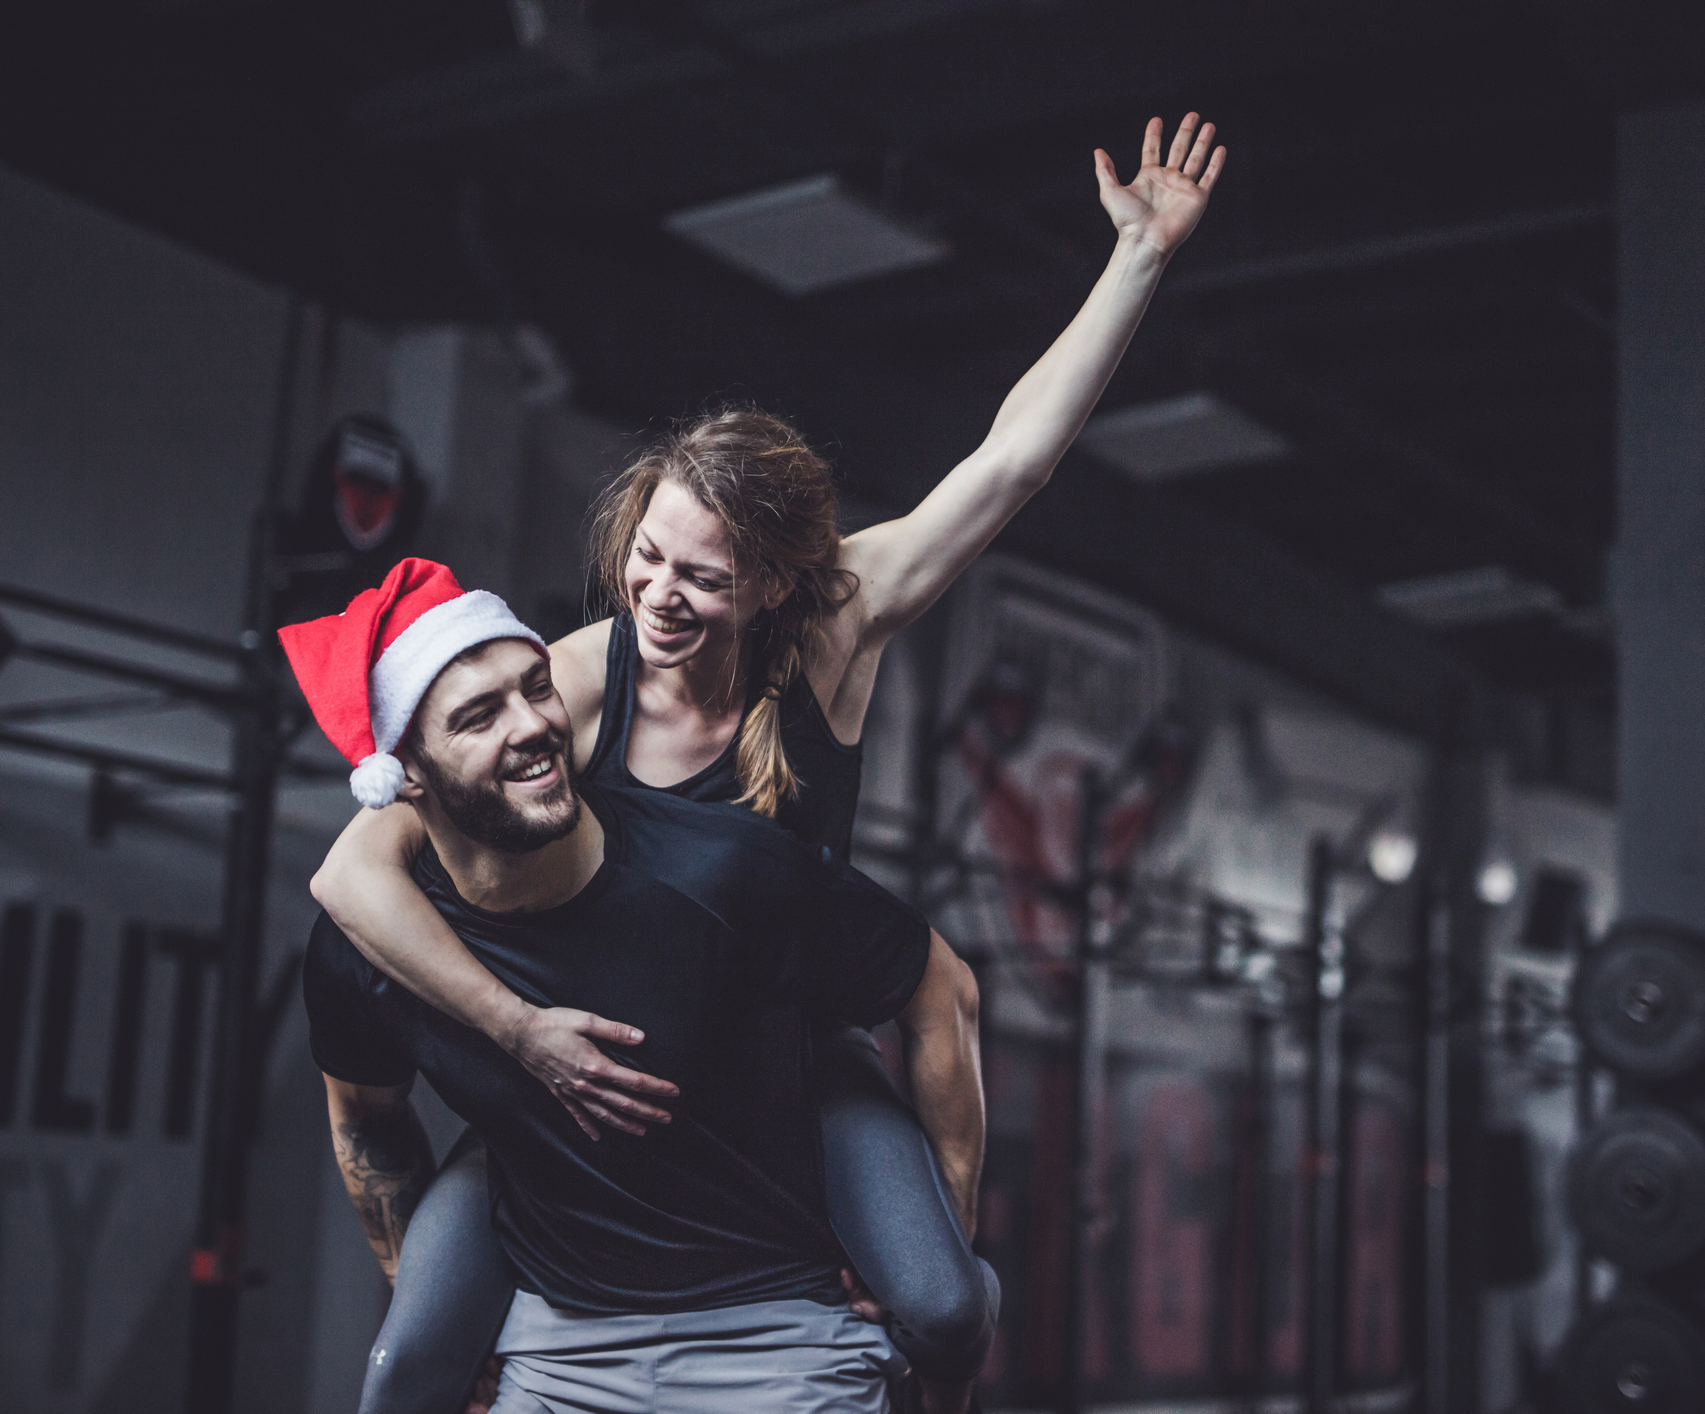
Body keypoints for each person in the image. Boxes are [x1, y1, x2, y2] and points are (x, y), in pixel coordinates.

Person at [313, 111, 1226, 1412]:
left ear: (778, 583)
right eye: (647, 557)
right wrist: (522, 1036)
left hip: (785, 1054)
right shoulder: (575, 673)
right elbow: (358, 867)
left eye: (704, 576)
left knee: (936, 1301)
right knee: (406, 1365)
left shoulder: (833, 634)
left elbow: (1010, 463)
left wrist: (1135, 258)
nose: (660, 595)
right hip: (603, 1063)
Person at [289, 561, 982, 1413]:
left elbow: (936, 986)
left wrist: (950, 1223)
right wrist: (453, 1331)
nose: (534, 726)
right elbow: (366, 1119)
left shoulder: (721, 872)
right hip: (558, 1349)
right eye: (477, 716)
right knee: (396, 1380)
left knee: (950, 1307)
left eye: (535, 688)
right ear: (407, 776)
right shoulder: (366, 950)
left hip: (781, 1336)